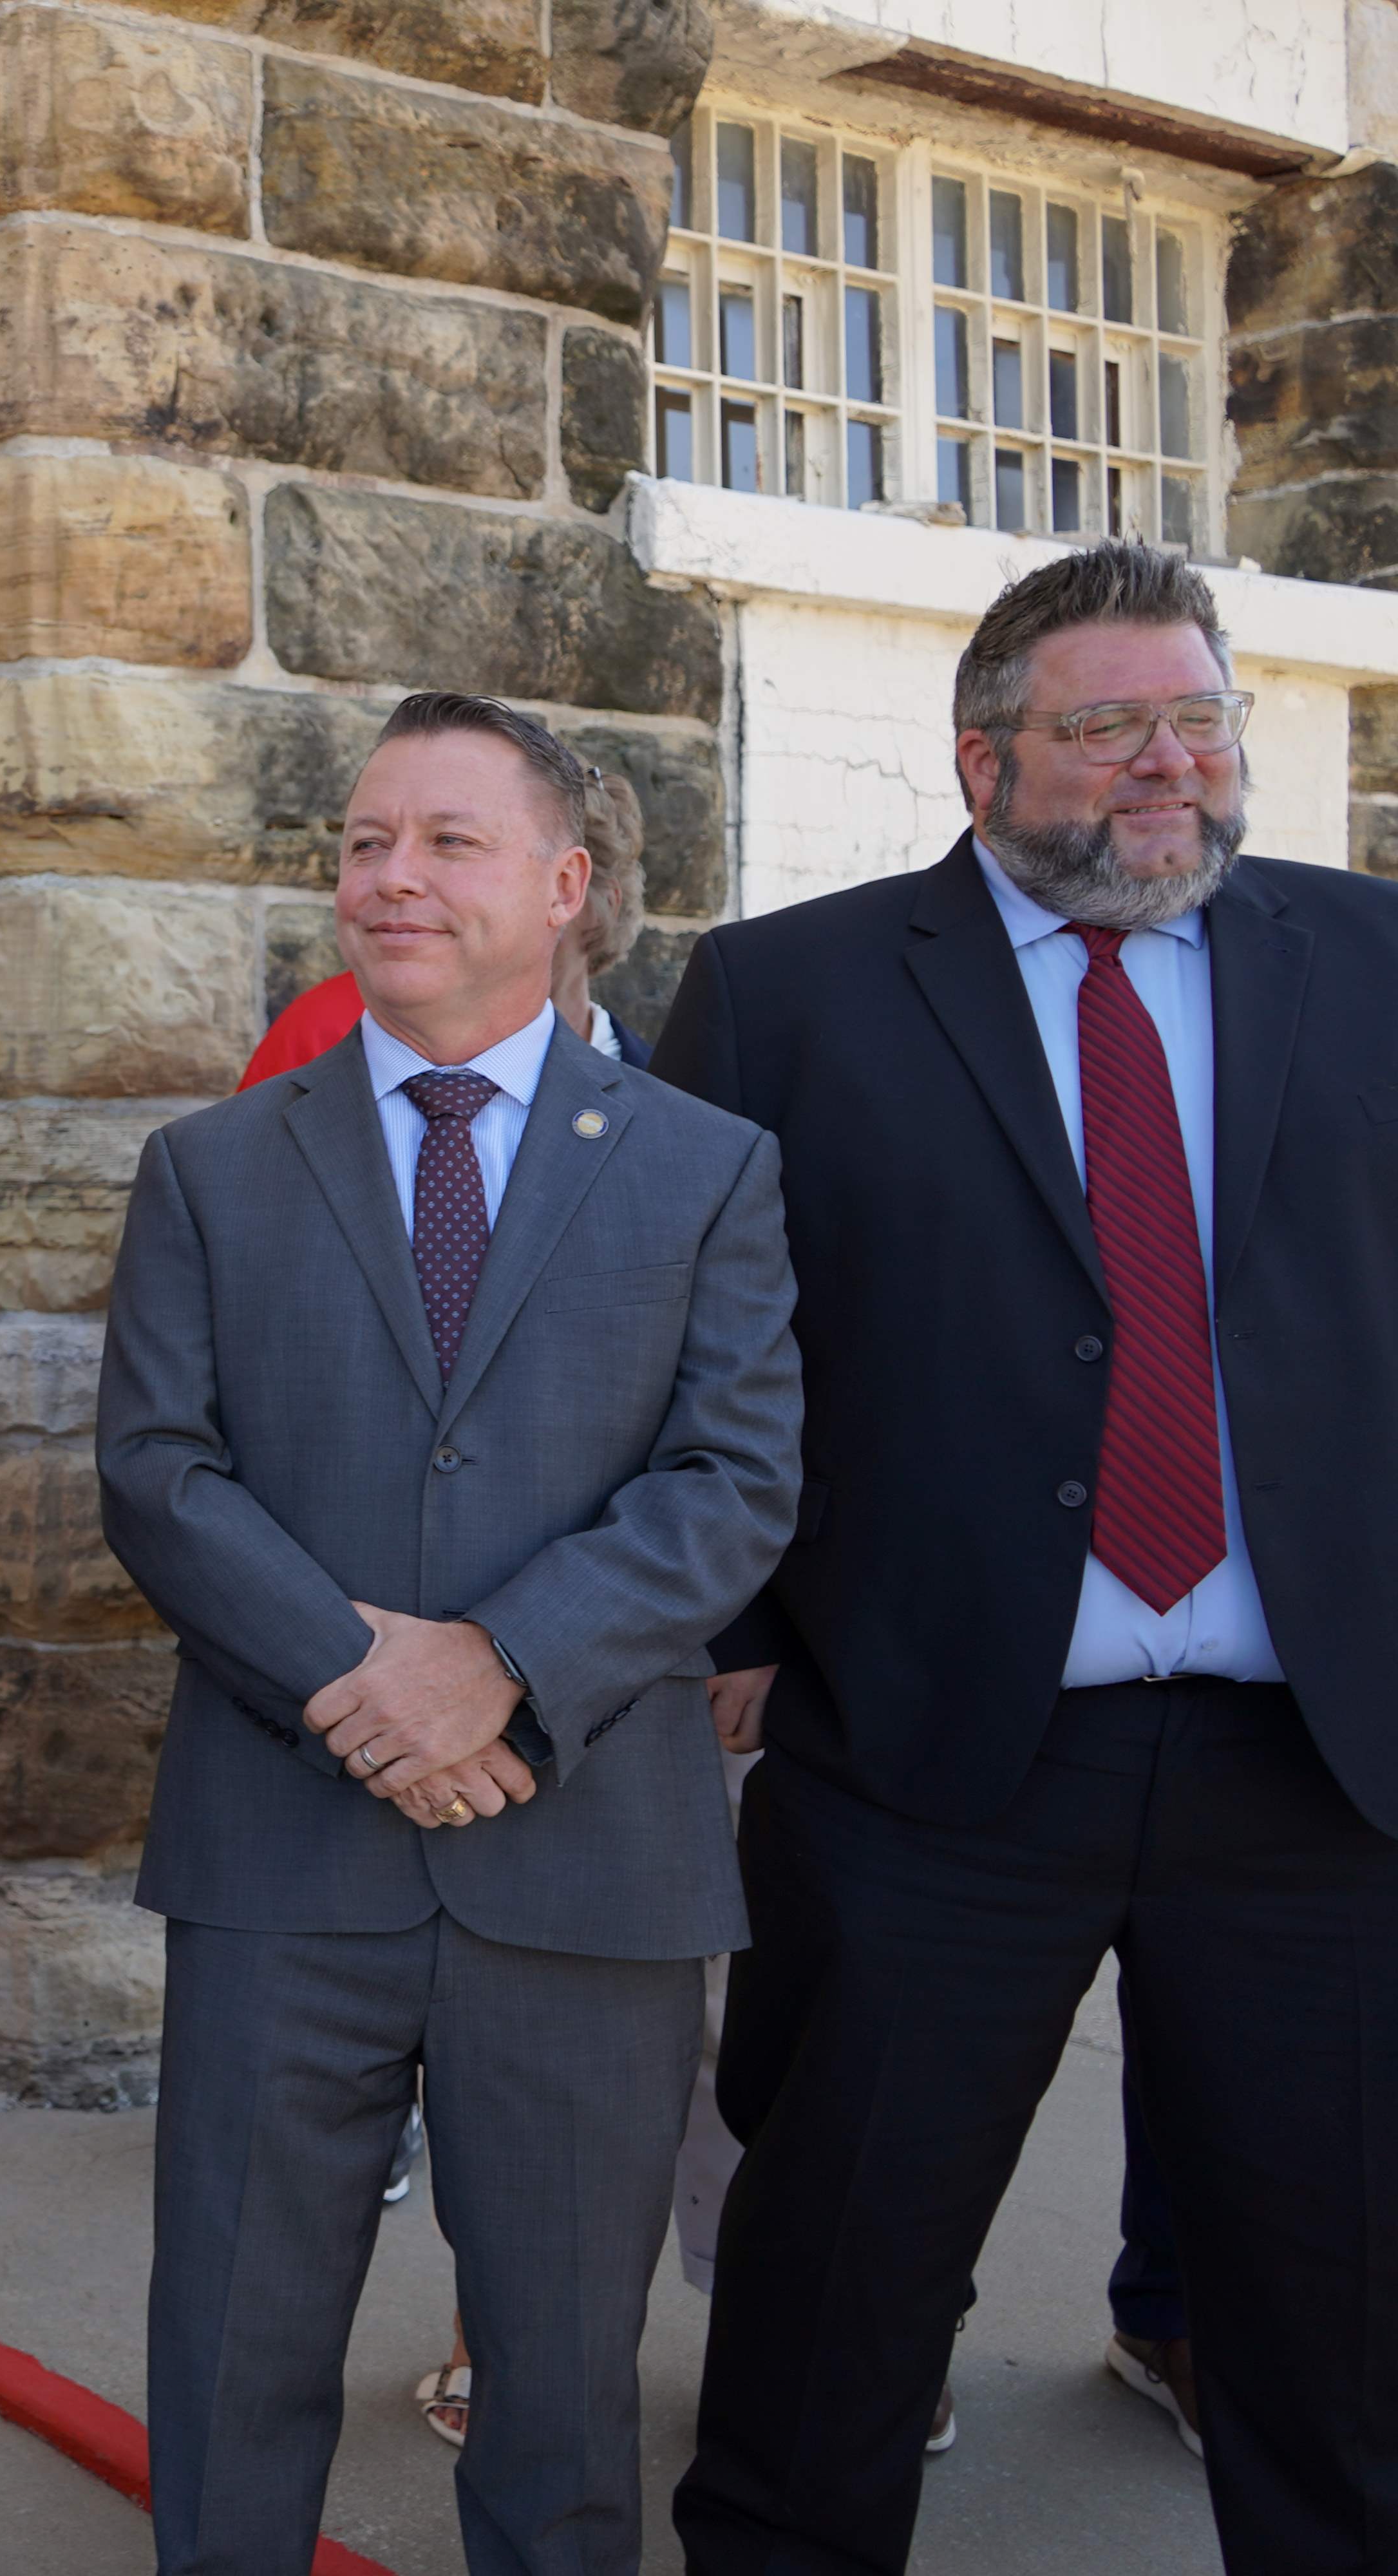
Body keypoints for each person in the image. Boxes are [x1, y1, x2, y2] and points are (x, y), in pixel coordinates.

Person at [663, 541, 1398, 2574]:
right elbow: (695, 1340)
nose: (1164, 765)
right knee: (833, 2293)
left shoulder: (1371, 958)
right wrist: (729, 1625)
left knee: (1336, 2335)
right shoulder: (782, 989)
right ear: (980, 758)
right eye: (1103, 727)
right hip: (924, 1760)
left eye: (1195, 718)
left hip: (1312, 1765)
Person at [97, 690, 802, 2576]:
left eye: (444, 840)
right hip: (278, 1856)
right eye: (359, 842)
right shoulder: (211, 1168)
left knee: (562, 2402)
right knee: (233, 2356)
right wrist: (368, 1680)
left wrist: (491, 1661)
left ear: (564, 885)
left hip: (584, 1863)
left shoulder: (700, 1166)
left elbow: (733, 1481)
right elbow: (158, 1474)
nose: (387, 875)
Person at [243, 763, 650, 1088]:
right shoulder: (323, 1027)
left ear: (572, 890)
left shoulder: (663, 1083)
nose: (396, 880)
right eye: (369, 845)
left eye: (452, 842)